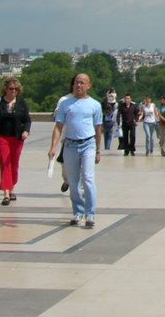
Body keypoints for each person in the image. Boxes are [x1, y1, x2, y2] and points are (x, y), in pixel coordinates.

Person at [48, 73, 102, 228]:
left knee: (88, 179)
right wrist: (53, 146)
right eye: (77, 83)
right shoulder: (66, 104)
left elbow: (98, 128)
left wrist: (98, 150)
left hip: (88, 144)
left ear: (88, 86)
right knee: (73, 181)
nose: (79, 86)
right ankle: (77, 211)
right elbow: (58, 126)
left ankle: (90, 214)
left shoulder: (95, 105)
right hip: (70, 145)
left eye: (82, 83)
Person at [0, 77, 31, 205]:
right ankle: (6, 194)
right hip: (1, 137)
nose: (13, 91)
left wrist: (26, 131)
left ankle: (11, 188)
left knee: (14, 165)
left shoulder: (21, 103)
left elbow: (27, 120)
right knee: (5, 164)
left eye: (16, 89)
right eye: (11, 89)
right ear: (5, 89)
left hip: (17, 138)